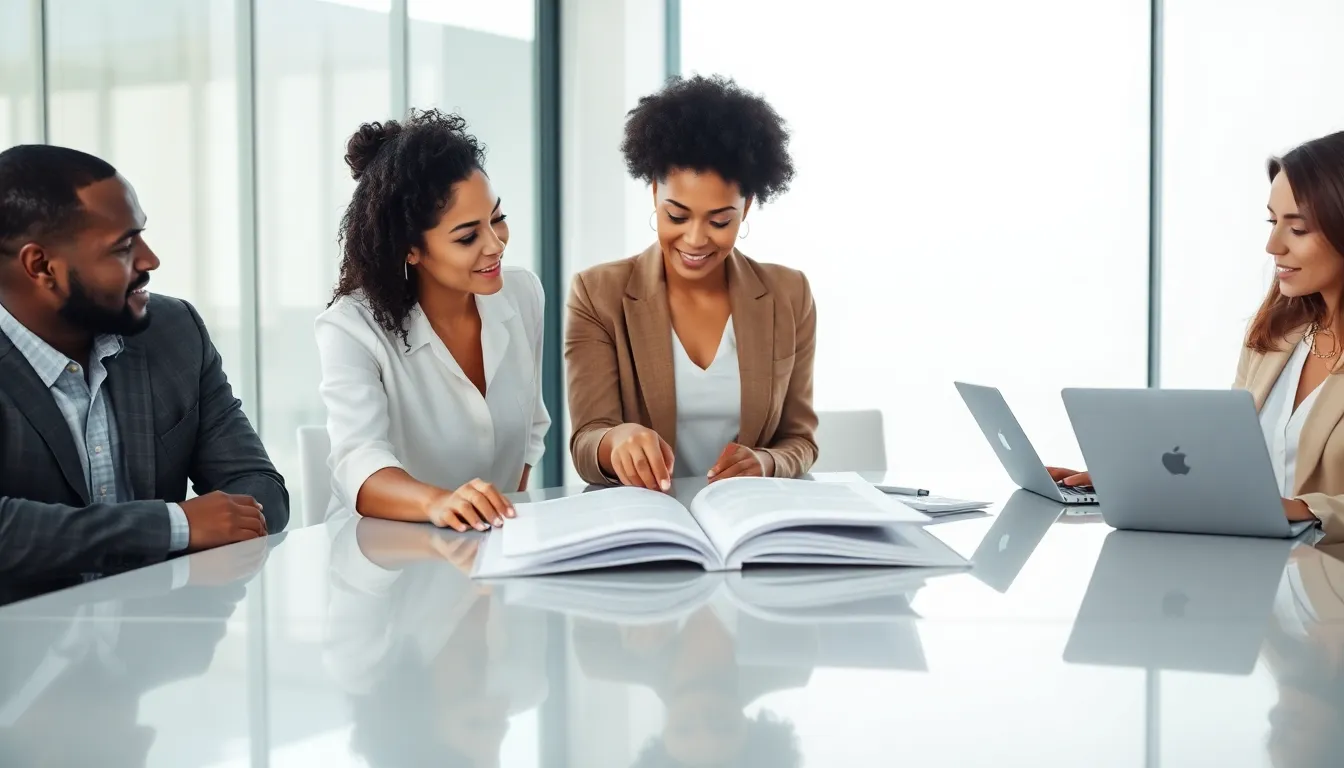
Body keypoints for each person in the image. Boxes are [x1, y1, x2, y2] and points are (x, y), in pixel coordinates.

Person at [0, 144, 288, 584]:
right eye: (122, 247)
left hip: (160, 636)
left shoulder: (174, 330)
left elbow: (258, 484)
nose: (150, 260)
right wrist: (176, 526)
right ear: (42, 266)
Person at [1049, 131, 1344, 542]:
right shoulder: (1276, 332)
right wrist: (1140, 480)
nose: (1272, 245)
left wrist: (1306, 509)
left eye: (1298, 228)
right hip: (1256, 575)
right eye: (1272, 222)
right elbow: (1233, 456)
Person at [566, 74, 818, 490]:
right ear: (653, 195)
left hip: (748, 520)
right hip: (649, 522)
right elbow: (586, 440)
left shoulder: (789, 295)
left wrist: (766, 462)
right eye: (677, 216)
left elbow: (801, 440)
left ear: (747, 207)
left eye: (720, 221)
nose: (696, 240)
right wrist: (616, 441)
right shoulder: (598, 294)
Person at [315, 109, 549, 533]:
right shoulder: (350, 327)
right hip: (382, 559)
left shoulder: (523, 294)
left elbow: (531, 430)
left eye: (497, 218)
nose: (496, 245)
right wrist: (442, 504)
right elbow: (359, 465)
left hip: (486, 550)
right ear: (411, 250)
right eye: (467, 236)